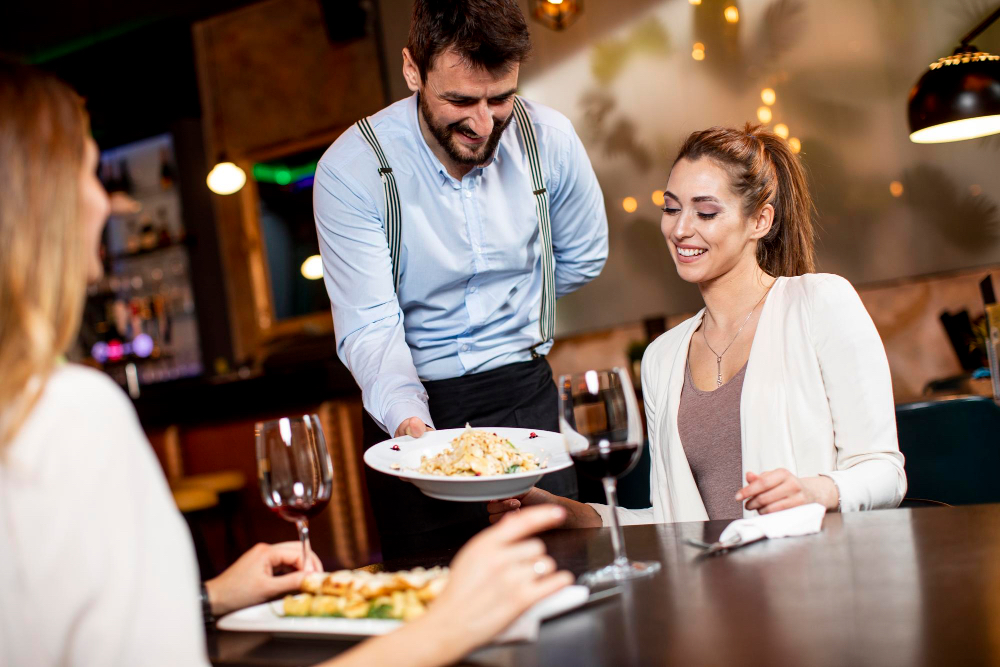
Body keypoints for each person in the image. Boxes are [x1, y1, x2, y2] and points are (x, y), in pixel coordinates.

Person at [0, 59, 572, 667]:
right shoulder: (67, 413)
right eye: (90, 173)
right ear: (41, 203)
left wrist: (209, 597)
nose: (108, 203)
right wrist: (445, 627)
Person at [488, 124, 907, 528]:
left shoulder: (820, 303)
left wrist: (816, 491)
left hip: (814, 583)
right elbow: (674, 521)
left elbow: (885, 472)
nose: (680, 229)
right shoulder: (662, 358)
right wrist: (568, 513)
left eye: (705, 212)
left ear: (760, 221)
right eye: (671, 208)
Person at [313, 0, 608, 557]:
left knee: (565, 598)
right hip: (411, 409)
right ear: (412, 70)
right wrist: (419, 438)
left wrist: (511, 307)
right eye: (459, 100)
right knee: (436, 606)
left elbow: (583, 257)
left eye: (500, 98)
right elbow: (371, 327)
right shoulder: (351, 170)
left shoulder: (551, 140)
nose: (482, 123)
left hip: (525, 400)